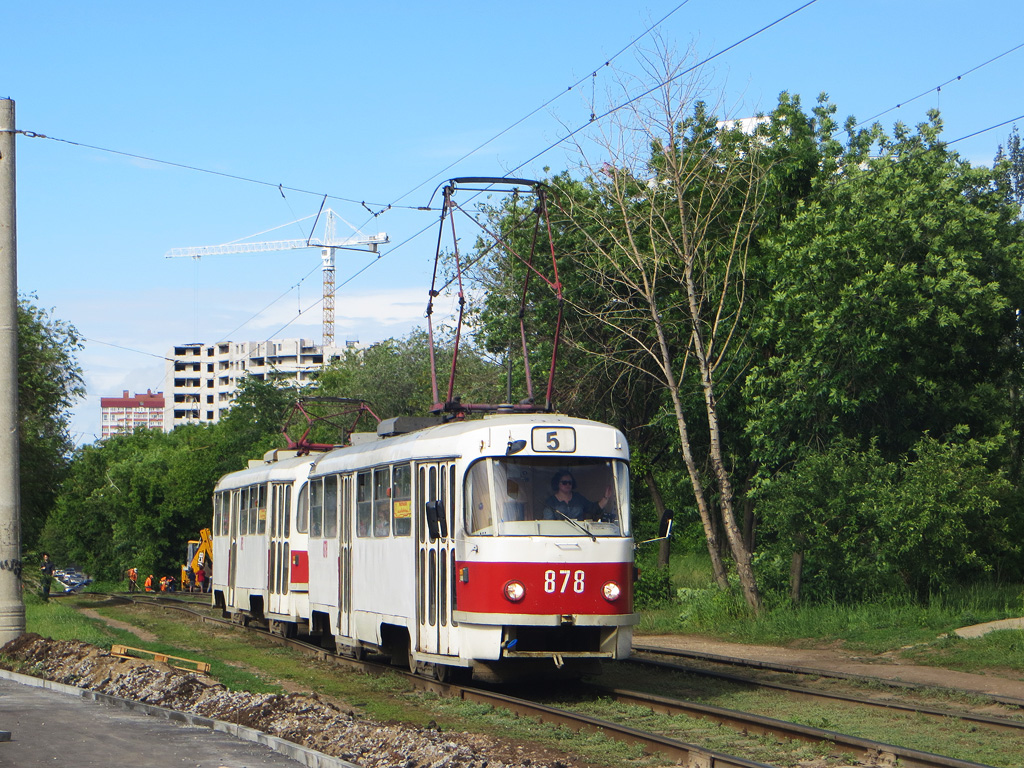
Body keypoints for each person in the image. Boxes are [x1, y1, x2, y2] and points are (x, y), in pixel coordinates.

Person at [541, 471, 612, 522]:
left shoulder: (578, 498)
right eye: (564, 483)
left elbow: (594, 509)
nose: (567, 485)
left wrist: (606, 497)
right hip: (559, 536)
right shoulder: (551, 502)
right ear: (557, 483)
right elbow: (548, 523)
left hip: (579, 535)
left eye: (570, 483)